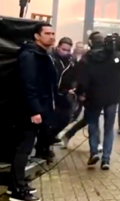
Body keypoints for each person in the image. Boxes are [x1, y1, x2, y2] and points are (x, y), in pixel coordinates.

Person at [9, 22, 57, 201]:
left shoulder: (42, 55)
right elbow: (28, 86)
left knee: (25, 149)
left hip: (36, 109)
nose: (52, 36)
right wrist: (35, 111)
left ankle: (16, 184)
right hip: (27, 111)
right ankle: (17, 191)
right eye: (47, 33)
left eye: (53, 33)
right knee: (23, 149)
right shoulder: (30, 56)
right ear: (37, 36)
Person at [77, 32, 120, 170]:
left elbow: (82, 79)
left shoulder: (87, 57)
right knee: (109, 128)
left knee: (93, 125)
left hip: (93, 97)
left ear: (91, 43)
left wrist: (81, 93)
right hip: (112, 97)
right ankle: (106, 159)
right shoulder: (115, 56)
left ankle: (94, 152)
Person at [51, 37, 77, 139]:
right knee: (51, 120)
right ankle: (45, 143)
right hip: (53, 93)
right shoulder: (51, 58)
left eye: (68, 50)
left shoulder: (71, 60)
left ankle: (51, 137)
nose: (66, 52)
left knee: (66, 118)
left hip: (64, 93)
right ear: (58, 47)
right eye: (63, 49)